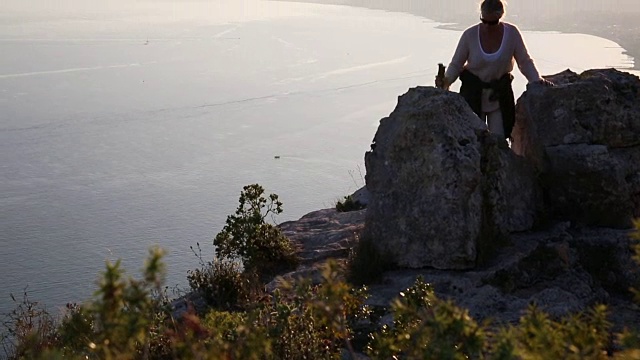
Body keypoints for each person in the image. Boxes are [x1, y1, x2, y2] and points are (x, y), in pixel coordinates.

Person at [435, 0, 553, 140]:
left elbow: (524, 61)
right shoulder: (470, 35)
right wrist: (446, 81)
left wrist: (537, 80)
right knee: (474, 139)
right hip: (473, 94)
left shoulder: (512, 34)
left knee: (499, 140)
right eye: (483, 21)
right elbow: (456, 64)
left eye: (492, 23)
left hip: (499, 95)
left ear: (500, 17)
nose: (486, 26)